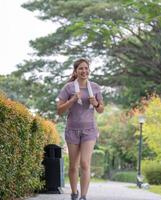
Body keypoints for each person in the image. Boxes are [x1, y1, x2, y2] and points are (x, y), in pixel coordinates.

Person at [57, 58, 104, 200]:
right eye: (81, 69)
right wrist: (71, 101)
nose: (84, 71)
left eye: (86, 68)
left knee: (84, 163)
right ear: (76, 71)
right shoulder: (68, 88)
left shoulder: (95, 87)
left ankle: (83, 196)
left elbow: (101, 109)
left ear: (89, 70)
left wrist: (96, 103)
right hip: (72, 130)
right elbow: (59, 111)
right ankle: (73, 193)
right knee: (73, 166)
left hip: (89, 130)